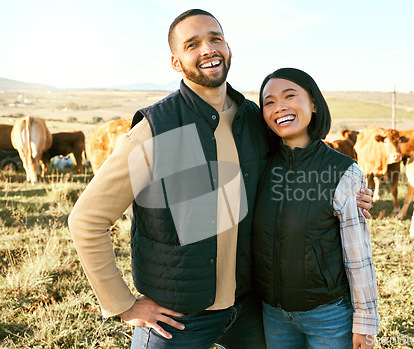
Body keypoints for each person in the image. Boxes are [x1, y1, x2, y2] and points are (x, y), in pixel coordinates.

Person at [68, 9, 374, 349]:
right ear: (176, 62)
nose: (207, 50)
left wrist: (348, 186)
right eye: (192, 44)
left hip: (250, 308)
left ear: (229, 49)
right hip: (179, 317)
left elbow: (298, 156)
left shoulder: (254, 121)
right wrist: (123, 304)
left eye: (215, 39)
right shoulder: (155, 131)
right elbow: (86, 219)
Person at [252, 68, 379, 349]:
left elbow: (358, 254)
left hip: (328, 316)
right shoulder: (259, 166)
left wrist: (366, 323)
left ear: (313, 104)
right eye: (269, 102)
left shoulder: (343, 171)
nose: (279, 106)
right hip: (273, 315)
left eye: (289, 96)